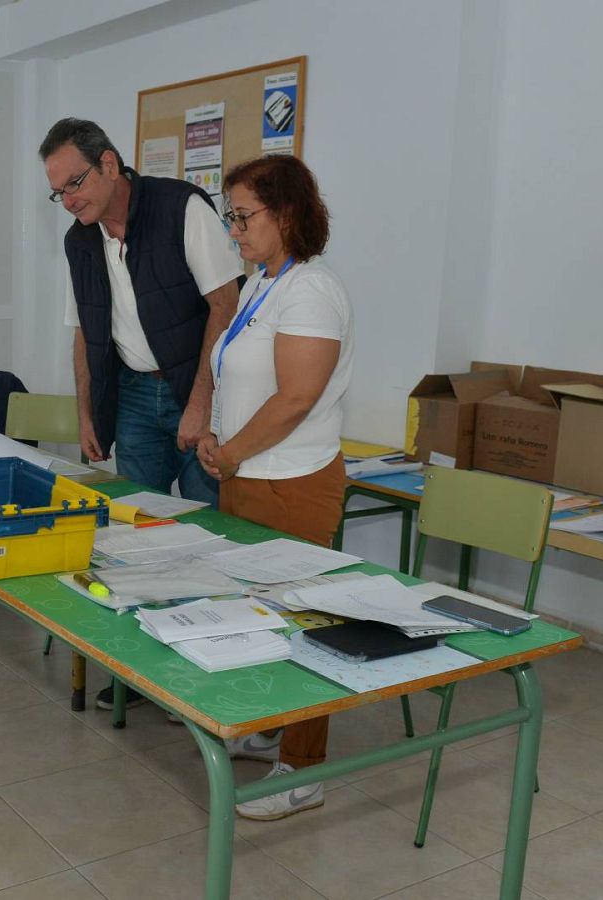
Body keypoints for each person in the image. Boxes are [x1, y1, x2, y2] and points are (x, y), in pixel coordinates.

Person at [41, 117, 243, 711]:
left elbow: (225, 305)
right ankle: (147, 676)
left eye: (74, 183)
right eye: (58, 192)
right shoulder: (80, 240)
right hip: (131, 394)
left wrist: (201, 402)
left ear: (110, 164)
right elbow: (85, 333)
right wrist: (86, 416)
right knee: (137, 541)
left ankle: (209, 672)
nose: (68, 200)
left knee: (205, 536)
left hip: (197, 390)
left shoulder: (182, 208)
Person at [195, 155, 352, 820]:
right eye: (230, 216)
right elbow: (238, 374)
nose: (234, 230)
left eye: (243, 216)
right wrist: (212, 435)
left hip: (292, 483)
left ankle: (305, 768)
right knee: (256, 615)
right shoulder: (263, 281)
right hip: (247, 477)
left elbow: (295, 399)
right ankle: (268, 727)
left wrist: (229, 452)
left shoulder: (311, 291)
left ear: (286, 213)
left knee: (303, 624)